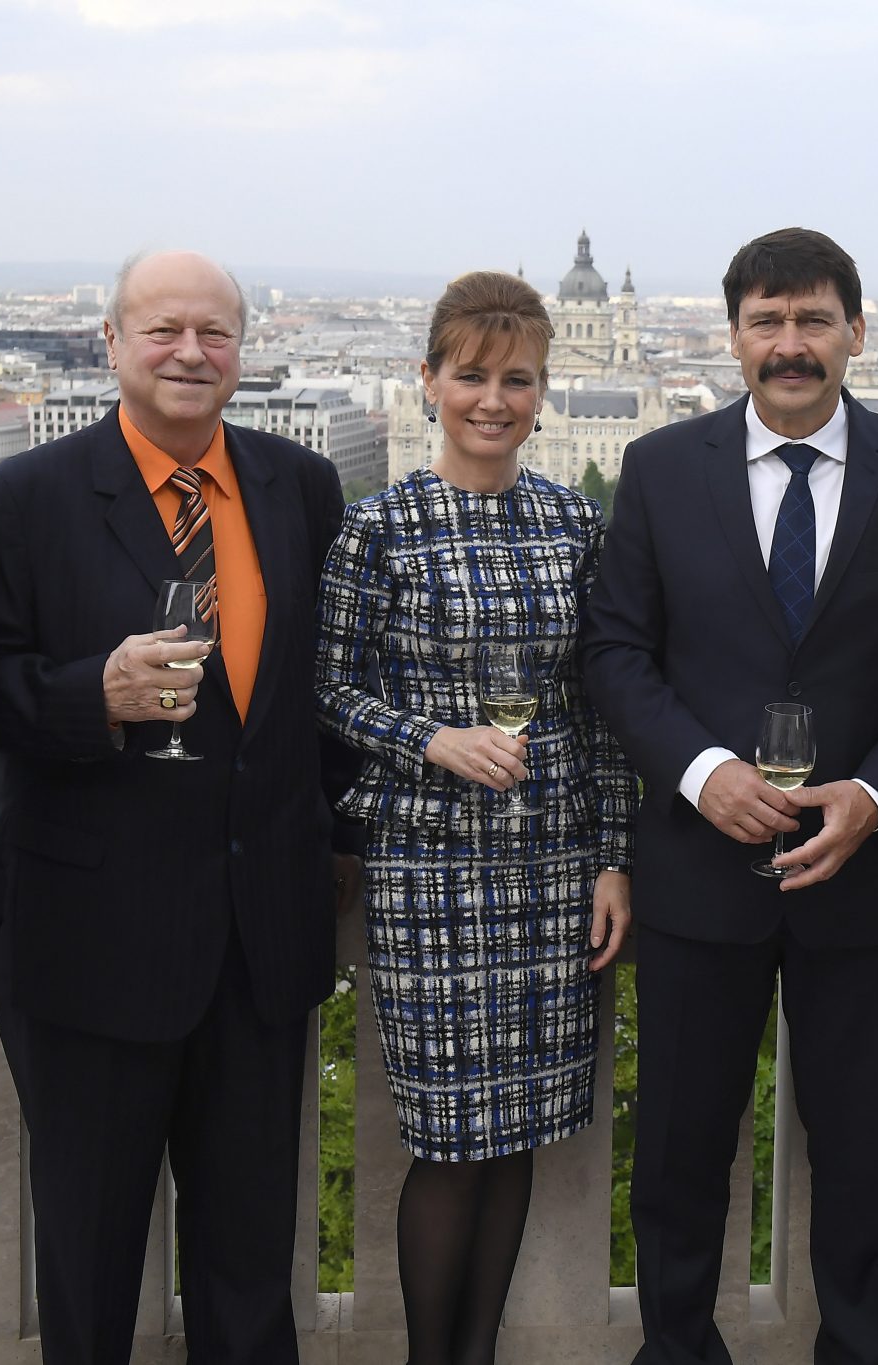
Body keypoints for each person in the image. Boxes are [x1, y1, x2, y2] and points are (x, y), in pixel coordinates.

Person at [583, 227, 878, 1365]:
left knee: (858, 1141)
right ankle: (675, 1348)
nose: (790, 345)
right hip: (694, 869)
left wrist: (875, 793)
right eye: (766, 322)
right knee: (676, 1143)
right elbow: (615, 650)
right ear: (730, 339)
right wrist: (703, 773)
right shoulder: (662, 469)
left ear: (856, 332)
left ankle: (857, 1347)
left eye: (813, 320)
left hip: (856, 871)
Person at [0, 248, 358, 1365]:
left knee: (250, 1263)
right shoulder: (27, 498)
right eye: (163, 330)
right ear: (111, 344)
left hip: (259, 941)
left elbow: (315, 695)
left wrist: (335, 837)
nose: (192, 352)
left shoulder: (297, 485)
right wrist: (89, 694)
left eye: (215, 332)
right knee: (89, 1269)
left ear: (245, 348)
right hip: (89, 946)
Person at [315, 270, 635, 1365]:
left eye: (516, 379)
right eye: (471, 376)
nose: (492, 399)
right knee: (450, 1143)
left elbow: (597, 710)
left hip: (548, 864)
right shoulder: (381, 528)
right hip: (429, 865)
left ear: (544, 390)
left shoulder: (568, 523)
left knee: (519, 1143)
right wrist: (429, 739)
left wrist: (608, 859)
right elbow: (329, 686)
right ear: (428, 381)